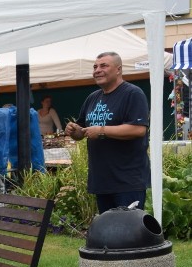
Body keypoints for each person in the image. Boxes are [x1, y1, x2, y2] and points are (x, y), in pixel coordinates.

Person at [64, 52, 150, 214]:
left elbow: (138, 129)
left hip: (127, 182)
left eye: (104, 65)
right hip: (102, 181)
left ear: (118, 69)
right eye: (95, 66)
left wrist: (102, 131)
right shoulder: (92, 98)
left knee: (128, 233)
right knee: (109, 234)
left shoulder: (133, 94)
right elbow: (81, 132)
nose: (97, 70)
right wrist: (73, 130)